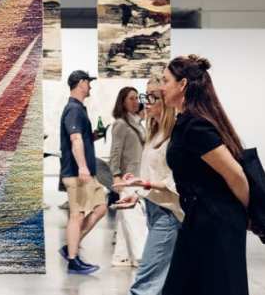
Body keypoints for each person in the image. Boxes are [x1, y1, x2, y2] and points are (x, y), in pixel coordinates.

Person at [160, 55, 250, 295]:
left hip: (216, 223)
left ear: (183, 85)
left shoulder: (195, 126)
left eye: (165, 80)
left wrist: (244, 214)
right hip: (199, 219)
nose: (161, 87)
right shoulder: (186, 122)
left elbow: (236, 175)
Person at [113, 77, 183, 295]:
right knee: (160, 281)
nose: (146, 102)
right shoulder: (153, 132)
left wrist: (146, 184)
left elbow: (178, 178)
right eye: (145, 96)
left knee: (145, 284)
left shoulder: (176, 134)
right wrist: (138, 193)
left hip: (168, 213)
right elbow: (150, 171)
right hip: (153, 208)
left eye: (152, 97)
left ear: (166, 100)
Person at [59, 69, 108, 274]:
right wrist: (83, 167)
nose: (90, 86)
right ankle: (73, 259)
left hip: (84, 172)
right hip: (77, 172)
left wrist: (95, 135)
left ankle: (71, 245)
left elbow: (82, 138)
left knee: (101, 207)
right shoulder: (73, 109)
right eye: (88, 82)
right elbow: (75, 139)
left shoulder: (79, 109)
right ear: (80, 83)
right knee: (77, 215)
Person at [110, 86, 148, 266]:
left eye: (136, 98)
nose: (136, 101)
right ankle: (141, 256)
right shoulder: (120, 124)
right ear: (122, 102)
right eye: (131, 98)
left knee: (125, 217)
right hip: (127, 176)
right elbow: (115, 152)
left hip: (138, 175)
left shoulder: (136, 122)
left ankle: (121, 257)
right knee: (134, 217)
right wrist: (116, 175)